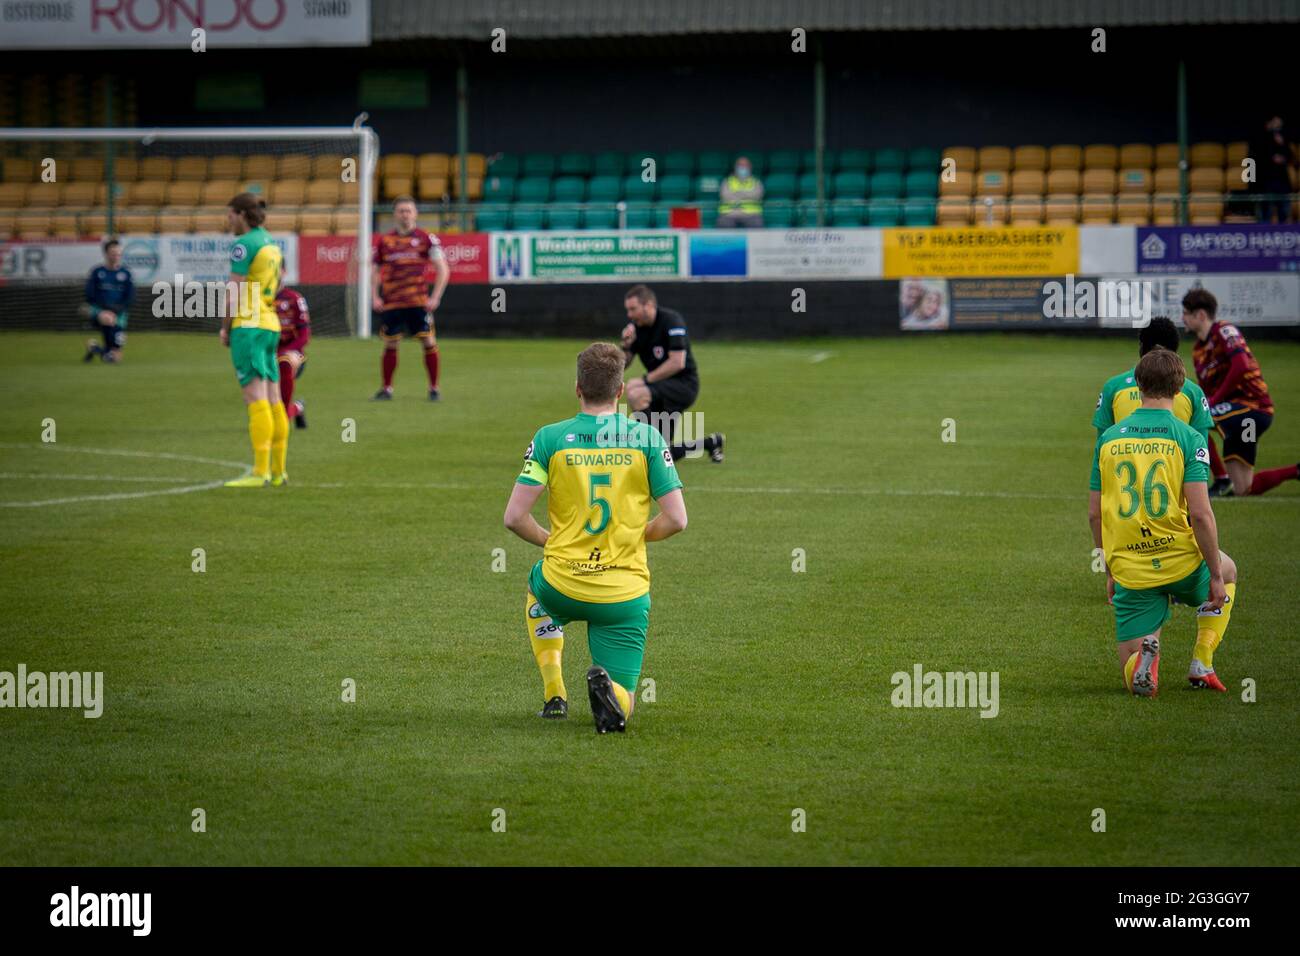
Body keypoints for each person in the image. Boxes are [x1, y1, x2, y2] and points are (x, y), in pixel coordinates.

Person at [503, 343, 688, 733]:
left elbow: (515, 518)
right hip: (623, 594)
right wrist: (637, 536)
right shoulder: (647, 439)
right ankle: (612, 699)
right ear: (621, 391)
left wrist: (550, 541)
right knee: (626, 702)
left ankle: (555, 689)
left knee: (537, 589)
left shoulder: (550, 438)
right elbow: (676, 520)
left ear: (577, 388)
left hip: (562, 583)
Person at [1088, 348, 1237, 696]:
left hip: (1131, 567)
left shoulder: (1109, 440)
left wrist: (1110, 568)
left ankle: (1144, 663)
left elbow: (1094, 514)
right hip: (1182, 561)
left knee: (1133, 680)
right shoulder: (1189, 438)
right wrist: (1214, 574)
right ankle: (1202, 659)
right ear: (1180, 386)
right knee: (1229, 571)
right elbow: (1200, 514)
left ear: (1138, 385)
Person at [1183, 288, 1297, 496]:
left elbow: (1241, 366)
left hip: (1254, 408)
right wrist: (1207, 401)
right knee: (1245, 489)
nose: (1182, 318)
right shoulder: (1198, 351)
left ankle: (1221, 479)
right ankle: (1295, 471)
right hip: (1243, 421)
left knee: (1196, 420)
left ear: (1200, 314)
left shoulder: (1225, 331)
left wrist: (1213, 402)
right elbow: (1206, 392)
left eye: (1185, 313)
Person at [220, 192, 290, 488]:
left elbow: (233, 291)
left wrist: (225, 326)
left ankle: (259, 473)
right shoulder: (270, 242)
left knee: (255, 398)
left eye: (230, 214)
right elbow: (280, 279)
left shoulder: (244, 245)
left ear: (241, 214)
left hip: (248, 325)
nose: (228, 220)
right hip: (270, 324)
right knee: (275, 399)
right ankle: (278, 472)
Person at [620, 284, 724, 462]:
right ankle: (711, 442)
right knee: (663, 450)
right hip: (659, 387)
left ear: (649, 305)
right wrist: (626, 345)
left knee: (636, 392)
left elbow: (677, 362)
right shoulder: (637, 328)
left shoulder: (671, 320)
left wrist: (645, 380)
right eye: (627, 310)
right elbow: (623, 364)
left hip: (683, 385)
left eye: (633, 309)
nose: (629, 315)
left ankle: (649, 450)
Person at [371, 196, 450, 401]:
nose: (405, 214)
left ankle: (434, 388)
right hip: (392, 302)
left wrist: (436, 297)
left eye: (408, 210)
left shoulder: (426, 239)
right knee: (390, 344)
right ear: (394, 214)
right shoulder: (385, 241)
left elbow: (443, 269)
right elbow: (375, 270)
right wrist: (374, 296)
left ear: (415, 214)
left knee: (428, 341)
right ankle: (386, 389)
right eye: (401, 211)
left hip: (417, 302)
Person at [1093, 315, 1213, 442]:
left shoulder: (1113, 387)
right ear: (1175, 349)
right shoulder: (1193, 392)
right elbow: (1201, 449)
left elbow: (1102, 445)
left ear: (1141, 346)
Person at [81, 238, 133, 364]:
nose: (116, 256)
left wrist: (117, 309)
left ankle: (94, 347)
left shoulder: (125, 273)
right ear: (106, 254)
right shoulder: (97, 272)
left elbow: (130, 296)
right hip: (99, 310)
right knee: (108, 318)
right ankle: (103, 350)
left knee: (115, 358)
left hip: (119, 312)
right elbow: (89, 294)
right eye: (113, 254)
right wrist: (104, 308)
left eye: (118, 254)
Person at [275, 287, 311, 429]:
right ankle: (297, 408)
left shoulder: (294, 298)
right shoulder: (258, 296)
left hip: (292, 353)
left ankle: (285, 414)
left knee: (285, 360)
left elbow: (304, 336)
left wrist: (284, 351)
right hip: (267, 352)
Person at [1250, 115, 1294, 224]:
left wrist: (1282, 147)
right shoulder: (1258, 140)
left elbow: (1290, 157)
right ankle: (1263, 237)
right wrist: (1271, 159)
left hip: (1282, 182)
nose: (1278, 127)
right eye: (1275, 124)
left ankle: (1283, 234)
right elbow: (1253, 159)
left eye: (1280, 125)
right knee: (1265, 214)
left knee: (1283, 211)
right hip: (1265, 182)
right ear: (1268, 124)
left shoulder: (1282, 139)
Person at [716, 155, 764, 228]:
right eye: (740, 165)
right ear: (735, 167)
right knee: (723, 222)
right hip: (730, 214)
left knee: (756, 222)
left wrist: (736, 193)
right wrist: (746, 194)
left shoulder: (756, 182)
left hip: (751, 214)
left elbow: (757, 196)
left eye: (745, 165)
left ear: (750, 167)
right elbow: (725, 196)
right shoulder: (727, 181)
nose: (743, 168)